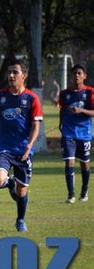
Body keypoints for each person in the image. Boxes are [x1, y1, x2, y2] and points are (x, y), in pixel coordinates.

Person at [0, 60, 43, 232]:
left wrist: (30, 146)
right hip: (4, 149)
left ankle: (20, 220)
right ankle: (9, 183)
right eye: (9, 72)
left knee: (22, 191)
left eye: (15, 72)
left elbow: (36, 125)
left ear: (24, 76)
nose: (10, 76)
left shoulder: (31, 98)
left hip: (23, 151)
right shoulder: (0, 96)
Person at [58, 64, 94, 203]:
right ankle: (71, 194)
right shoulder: (65, 93)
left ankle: (84, 190)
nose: (76, 76)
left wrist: (82, 111)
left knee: (84, 164)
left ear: (84, 76)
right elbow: (62, 109)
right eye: (74, 73)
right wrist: (60, 123)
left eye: (79, 73)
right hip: (68, 133)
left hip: (84, 133)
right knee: (69, 162)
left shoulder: (90, 92)